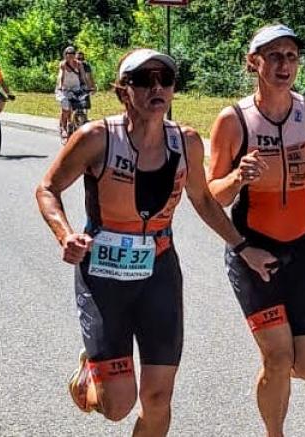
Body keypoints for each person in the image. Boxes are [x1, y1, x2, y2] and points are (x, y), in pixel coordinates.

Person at [36, 48, 276, 435]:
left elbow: (203, 201)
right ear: (122, 91)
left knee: (158, 398)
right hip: (103, 275)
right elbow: (47, 188)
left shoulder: (187, 143)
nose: (156, 87)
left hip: (159, 273)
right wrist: (65, 234)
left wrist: (243, 247)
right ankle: (91, 374)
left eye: (165, 80)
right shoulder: (96, 138)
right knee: (118, 406)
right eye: (144, 80)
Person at [206, 24, 305, 437]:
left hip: (303, 250)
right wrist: (237, 179)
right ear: (254, 63)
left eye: (291, 56)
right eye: (274, 56)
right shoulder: (233, 121)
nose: (284, 64)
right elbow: (212, 194)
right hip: (254, 252)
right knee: (278, 356)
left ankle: (277, 374)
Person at [56, 45, 87, 141]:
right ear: (65, 55)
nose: (71, 55)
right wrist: (61, 86)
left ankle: (74, 124)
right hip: (64, 89)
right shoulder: (63, 64)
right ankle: (63, 127)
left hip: (76, 88)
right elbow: (61, 76)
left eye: (73, 53)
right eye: (68, 54)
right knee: (66, 108)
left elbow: (82, 76)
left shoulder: (79, 64)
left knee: (80, 105)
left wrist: (86, 86)